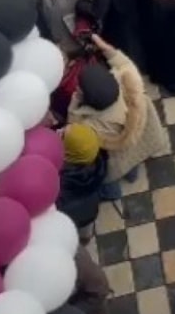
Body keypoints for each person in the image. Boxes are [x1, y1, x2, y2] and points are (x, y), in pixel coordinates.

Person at [67, 35, 167, 196]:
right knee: (133, 159)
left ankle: (113, 193)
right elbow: (123, 63)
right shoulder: (129, 84)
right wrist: (104, 46)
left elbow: (72, 127)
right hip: (139, 140)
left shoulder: (90, 124)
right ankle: (132, 173)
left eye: (80, 87)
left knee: (110, 180)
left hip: (117, 159)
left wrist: (75, 101)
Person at [57, 123, 108, 239]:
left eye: (63, 135)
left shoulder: (63, 180)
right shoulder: (94, 159)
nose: (58, 131)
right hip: (90, 212)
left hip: (72, 216)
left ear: (69, 153)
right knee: (86, 232)